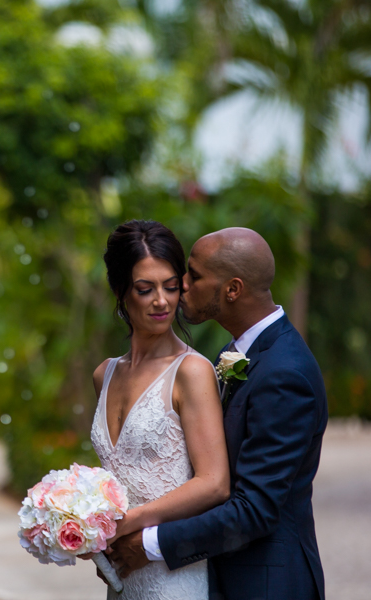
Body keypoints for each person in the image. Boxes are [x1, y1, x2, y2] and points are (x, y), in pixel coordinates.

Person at [105, 227, 328, 600]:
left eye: (194, 275)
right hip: (209, 576)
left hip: (264, 584)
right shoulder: (237, 353)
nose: (183, 285)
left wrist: (148, 544)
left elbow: (254, 510)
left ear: (232, 289)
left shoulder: (285, 374)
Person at [87, 219, 231, 599]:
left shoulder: (192, 371)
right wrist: (85, 523)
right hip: (121, 576)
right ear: (120, 290)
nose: (161, 301)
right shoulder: (105, 374)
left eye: (170, 287)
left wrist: (128, 525)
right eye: (145, 289)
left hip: (172, 575)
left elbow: (214, 483)